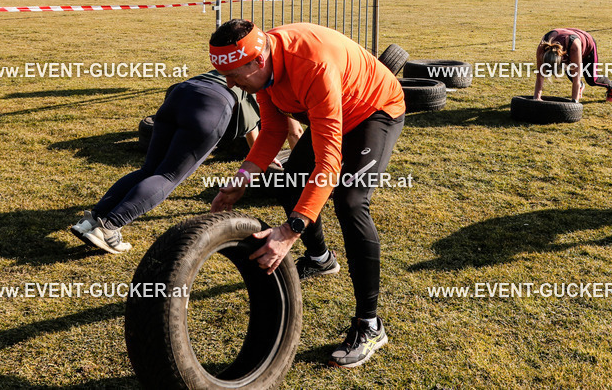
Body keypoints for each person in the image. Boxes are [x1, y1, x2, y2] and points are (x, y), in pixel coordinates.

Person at [209, 20, 405, 368]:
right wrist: (241, 178)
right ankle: (320, 260)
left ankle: (370, 325)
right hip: (331, 109)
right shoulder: (263, 68)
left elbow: (329, 163)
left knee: (350, 202)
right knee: (291, 181)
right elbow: (272, 130)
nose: (230, 83)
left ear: (258, 61)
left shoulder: (311, 64)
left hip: (373, 110)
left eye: (234, 75)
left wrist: (289, 232)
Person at [70, 70, 301, 253]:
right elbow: (268, 133)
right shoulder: (265, 85)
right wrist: (266, 162)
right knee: (168, 175)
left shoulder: (237, 67)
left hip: (180, 93)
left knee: (149, 169)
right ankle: (109, 227)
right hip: (211, 106)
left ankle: (92, 221)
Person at [534, 28, 612, 103]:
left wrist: (574, 103)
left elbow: (576, 78)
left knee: (592, 79)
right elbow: (540, 75)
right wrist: (537, 97)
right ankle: (580, 87)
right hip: (566, 40)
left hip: (587, 44)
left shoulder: (574, 48)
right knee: (569, 70)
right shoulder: (542, 47)